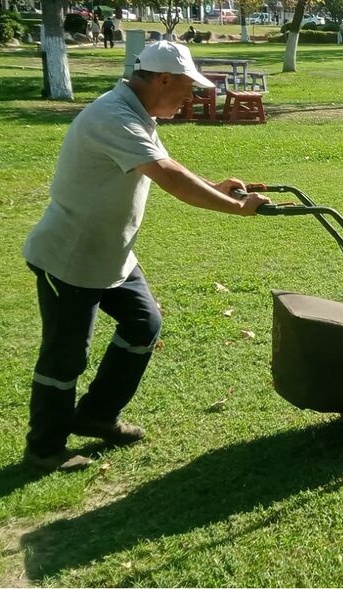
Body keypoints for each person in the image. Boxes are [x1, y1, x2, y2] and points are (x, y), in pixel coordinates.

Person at [20, 41, 269, 471]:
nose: (191, 97)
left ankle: (97, 416)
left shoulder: (138, 112)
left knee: (143, 323)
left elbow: (158, 163)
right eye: (188, 88)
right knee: (65, 355)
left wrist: (214, 186)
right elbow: (168, 176)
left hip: (112, 257)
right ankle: (43, 448)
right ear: (164, 79)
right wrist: (233, 207)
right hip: (72, 257)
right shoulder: (113, 116)